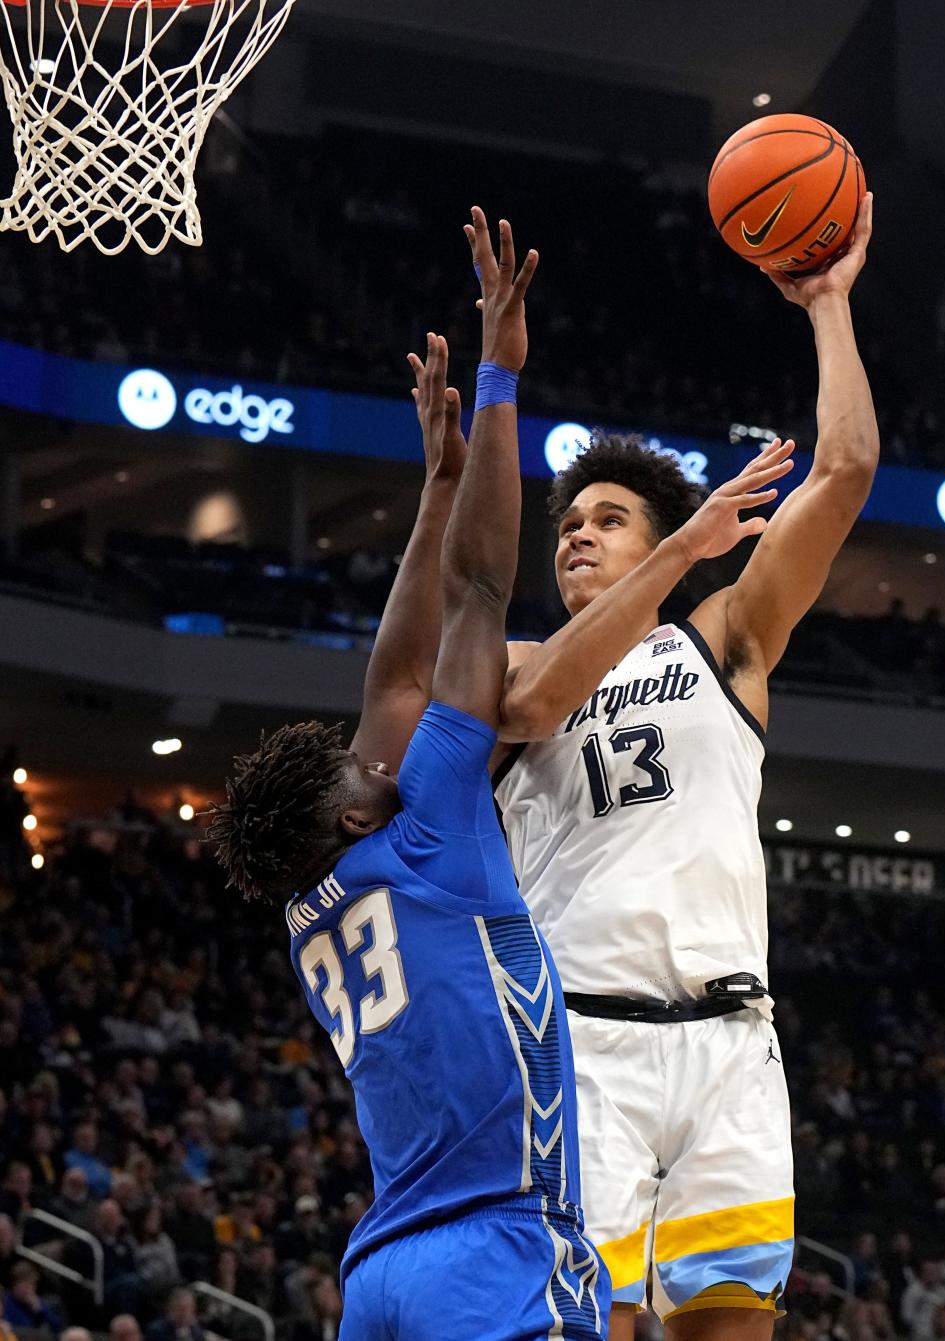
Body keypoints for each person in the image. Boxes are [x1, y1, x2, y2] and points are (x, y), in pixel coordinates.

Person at [209, 209, 613, 1340]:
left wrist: (434, 489)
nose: (374, 750)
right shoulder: (427, 828)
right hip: (499, 1248)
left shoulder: (311, 900)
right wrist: (498, 382)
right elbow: (484, 592)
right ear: (352, 807)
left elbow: (390, 687)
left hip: (382, 1271)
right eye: (358, 766)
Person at [493, 194, 879, 1340]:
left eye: (607, 519)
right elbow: (522, 704)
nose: (575, 533)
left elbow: (847, 469)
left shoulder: (724, 639)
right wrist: (670, 554)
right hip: (583, 1041)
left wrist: (830, 306)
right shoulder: (519, 663)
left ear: (669, 533)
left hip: (731, 1043)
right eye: (568, 523)